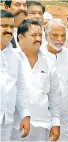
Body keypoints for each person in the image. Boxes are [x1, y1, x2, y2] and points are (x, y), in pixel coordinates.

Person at [11, 19, 61, 141]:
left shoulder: (48, 62)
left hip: (41, 125)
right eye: (34, 35)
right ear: (21, 37)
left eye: (40, 35)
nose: (38, 39)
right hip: (14, 125)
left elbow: (54, 95)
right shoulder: (10, 58)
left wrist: (55, 122)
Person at [41, 19, 68, 141]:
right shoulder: (38, 54)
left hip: (66, 116)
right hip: (41, 116)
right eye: (55, 35)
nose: (60, 39)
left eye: (63, 35)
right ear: (46, 35)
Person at [0, 10, 30, 141]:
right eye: (4, 26)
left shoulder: (15, 56)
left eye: (11, 26)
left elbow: (20, 88)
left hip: (6, 120)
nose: (8, 30)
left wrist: (25, 115)